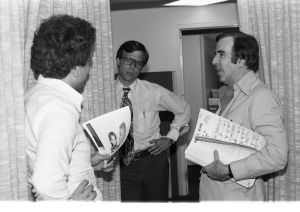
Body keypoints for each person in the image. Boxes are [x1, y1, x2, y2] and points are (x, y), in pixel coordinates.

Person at [25, 14, 114, 201]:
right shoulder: (59, 109)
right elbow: (46, 184)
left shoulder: (38, 96)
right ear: (75, 69)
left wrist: (88, 163)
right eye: (89, 61)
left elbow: (51, 161)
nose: (90, 67)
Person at [200, 31, 288, 201]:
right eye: (215, 55)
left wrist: (229, 170)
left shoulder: (260, 96)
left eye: (221, 54)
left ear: (241, 59)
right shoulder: (229, 94)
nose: (214, 61)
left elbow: (277, 155)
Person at [115, 40, 191, 202]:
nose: (132, 67)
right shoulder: (105, 95)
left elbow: (184, 108)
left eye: (138, 63)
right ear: (118, 61)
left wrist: (170, 137)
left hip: (153, 162)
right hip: (121, 166)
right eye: (128, 60)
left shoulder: (153, 91)